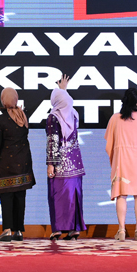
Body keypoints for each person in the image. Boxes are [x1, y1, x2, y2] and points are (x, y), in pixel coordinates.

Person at [0, 87, 36, 242]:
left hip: (6, 165)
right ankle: (19, 231)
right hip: (23, 164)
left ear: (3, 100)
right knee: (20, 198)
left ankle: (7, 230)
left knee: (7, 198)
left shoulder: (0, 120)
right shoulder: (22, 116)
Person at [104, 87, 137, 242]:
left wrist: (114, 157)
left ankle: (121, 230)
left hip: (122, 159)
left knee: (121, 194)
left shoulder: (115, 118)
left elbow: (109, 144)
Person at [46, 74, 87, 240]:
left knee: (58, 196)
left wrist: (51, 164)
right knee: (74, 195)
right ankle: (74, 229)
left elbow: (53, 141)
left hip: (60, 164)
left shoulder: (53, 117)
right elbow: (66, 102)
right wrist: (63, 90)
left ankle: (57, 230)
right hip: (75, 163)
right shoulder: (74, 115)